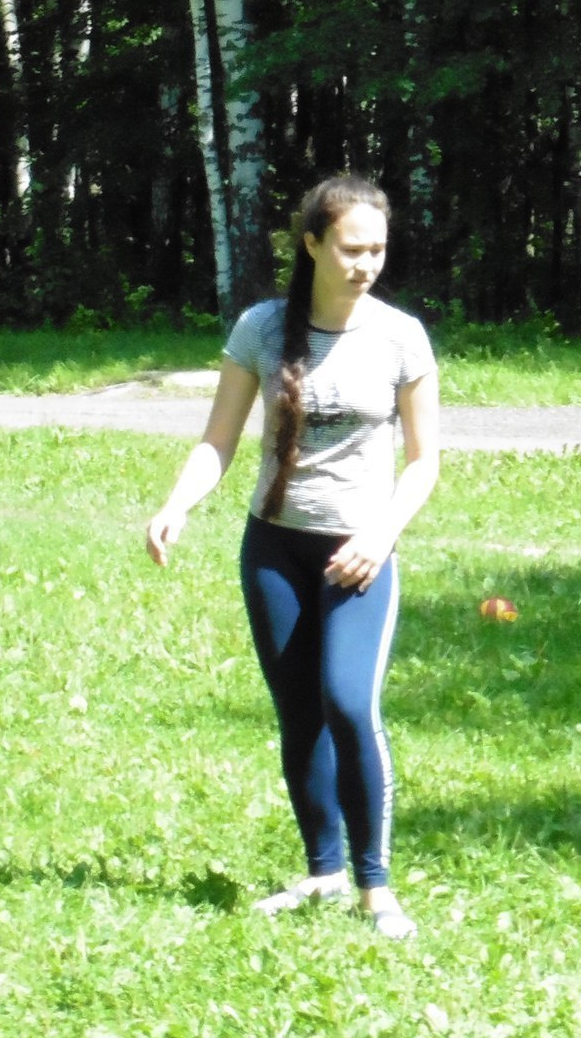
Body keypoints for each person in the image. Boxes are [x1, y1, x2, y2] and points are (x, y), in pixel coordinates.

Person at [145, 174, 440, 939]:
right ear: (311, 244)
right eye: (350, 247)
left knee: (348, 703)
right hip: (273, 547)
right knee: (299, 714)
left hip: (359, 553)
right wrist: (178, 504)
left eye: (376, 248)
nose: (365, 263)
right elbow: (218, 439)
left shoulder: (400, 335)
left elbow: (424, 462)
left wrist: (379, 537)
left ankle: (377, 890)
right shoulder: (262, 329)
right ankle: (324, 875)